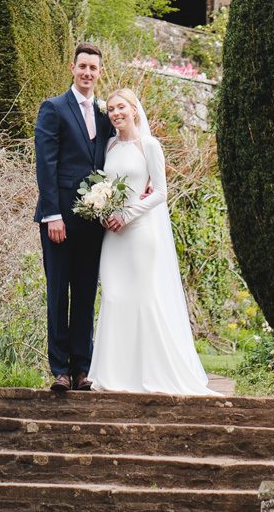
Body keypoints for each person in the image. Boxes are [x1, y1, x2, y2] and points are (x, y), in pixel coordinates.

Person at [84, 85, 213, 395]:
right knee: (114, 297)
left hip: (140, 233)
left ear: (134, 110)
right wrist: (103, 210)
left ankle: (151, 372)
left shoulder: (149, 145)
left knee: (142, 298)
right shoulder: (110, 147)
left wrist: (127, 215)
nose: (115, 114)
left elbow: (160, 192)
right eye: (111, 109)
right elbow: (107, 186)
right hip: (112, 236)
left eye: (121, 108)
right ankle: (113, 375)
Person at [33, 43, 114, 392]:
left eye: (93, 68)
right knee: (59, 293)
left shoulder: (104, 114)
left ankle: (83, 367)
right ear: (72, 67)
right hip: (60, 219)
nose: (87, 73)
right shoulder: (53, 108)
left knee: (84, 293)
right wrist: (53, 215)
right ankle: (60, 369)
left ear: (99, 72)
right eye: (82, 66)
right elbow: (46, 164)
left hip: (92, 223)